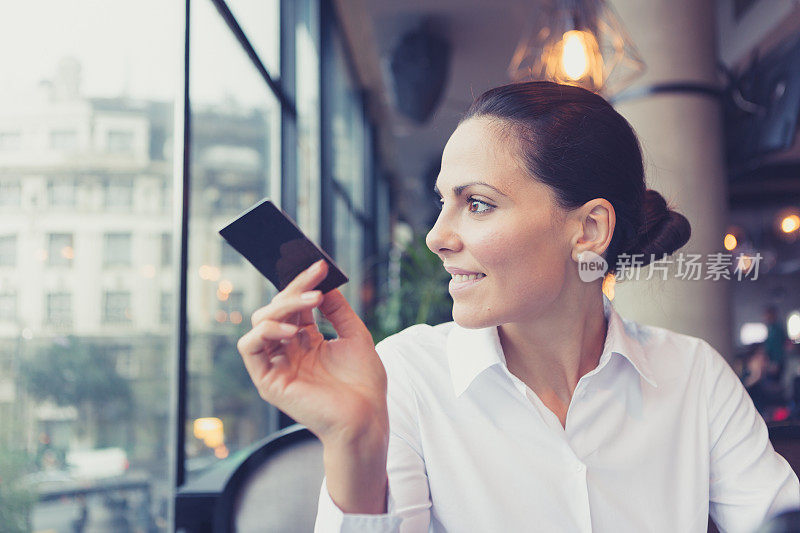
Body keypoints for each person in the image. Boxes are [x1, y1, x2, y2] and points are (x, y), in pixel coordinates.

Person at [236, 81, 800, 532]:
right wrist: (354, 441)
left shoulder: (693, 376)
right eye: (443, 202)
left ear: (589, 229)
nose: (436, 236)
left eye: (476, 204)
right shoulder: (406, 374)